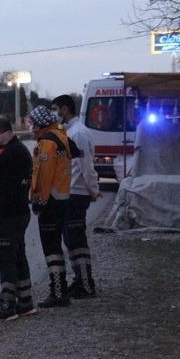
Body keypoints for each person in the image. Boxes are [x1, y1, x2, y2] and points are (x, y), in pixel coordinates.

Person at [0, 115, 36, 321]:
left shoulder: (10, 151)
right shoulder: (20, 151)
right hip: (18, 212)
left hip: (6, 215)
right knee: (18, 256)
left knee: (5, 259)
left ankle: (7, 304)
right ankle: (25, 301)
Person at [54, 94, 100, 299]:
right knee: (71, 240)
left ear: (65, 109)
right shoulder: (70, 131)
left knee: (76, 240)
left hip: (76, 193)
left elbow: (86, 166)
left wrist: (93, 190)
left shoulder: (78, 134)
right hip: (70, 193)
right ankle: (79, 280)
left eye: (56, 109)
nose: (54, 113)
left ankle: (85, 283)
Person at [28, 104, 73, 308]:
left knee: (51, 248)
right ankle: (60, 289)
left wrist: (39, 202)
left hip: (51, 201)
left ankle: (57, 291)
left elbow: (44, 175)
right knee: (56, 246)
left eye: (33, 124)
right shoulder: (61, 135)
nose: (31, 128)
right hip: (63, 197)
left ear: (40, 124)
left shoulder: (47, 142)